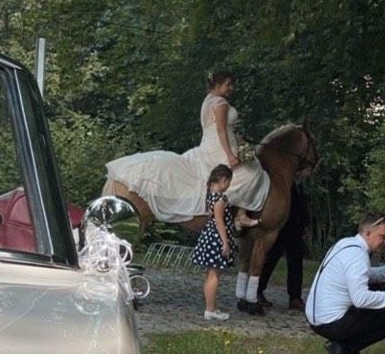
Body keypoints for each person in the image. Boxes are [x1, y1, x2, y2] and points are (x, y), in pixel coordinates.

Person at [105, 70, 269, 224]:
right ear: (218, 85)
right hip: (219, 147)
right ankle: (238, 215)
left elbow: (220, 127)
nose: (231, 88)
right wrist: (230, 154)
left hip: (208, 145)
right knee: (252, 172)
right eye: (228, 84)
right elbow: (220, 129)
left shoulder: (208, 100)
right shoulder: (221, 103)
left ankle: (234, 213)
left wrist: (238, 140)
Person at [304, 211, 385, 354]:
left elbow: (367, 275)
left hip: (316, 317)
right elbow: (361, 300)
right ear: (368, 233)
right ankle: (346, 348)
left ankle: (342, 345)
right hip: (330, 322)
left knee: (378, 301)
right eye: (382, 237)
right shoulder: (357, 256)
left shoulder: (346, 244)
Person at [192, 164, 243, 321]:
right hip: (216, 238)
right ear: (223, 180)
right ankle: (210, 309)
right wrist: (225, 242)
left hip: (209, 237)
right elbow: (220, 221)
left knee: (210, 274)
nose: (228, 186)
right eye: (228, 182)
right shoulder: (220, 199)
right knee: (214, 275)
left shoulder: (211, 195)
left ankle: (211, 306)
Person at [255, 181, 309, 310]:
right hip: (281, 226)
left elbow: (302, 205)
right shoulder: (282, 186)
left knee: (296, 261)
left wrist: (304, 224)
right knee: (271, 258)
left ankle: (295, 296)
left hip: (295, 225)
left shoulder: (297, 186)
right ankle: (258, 289)